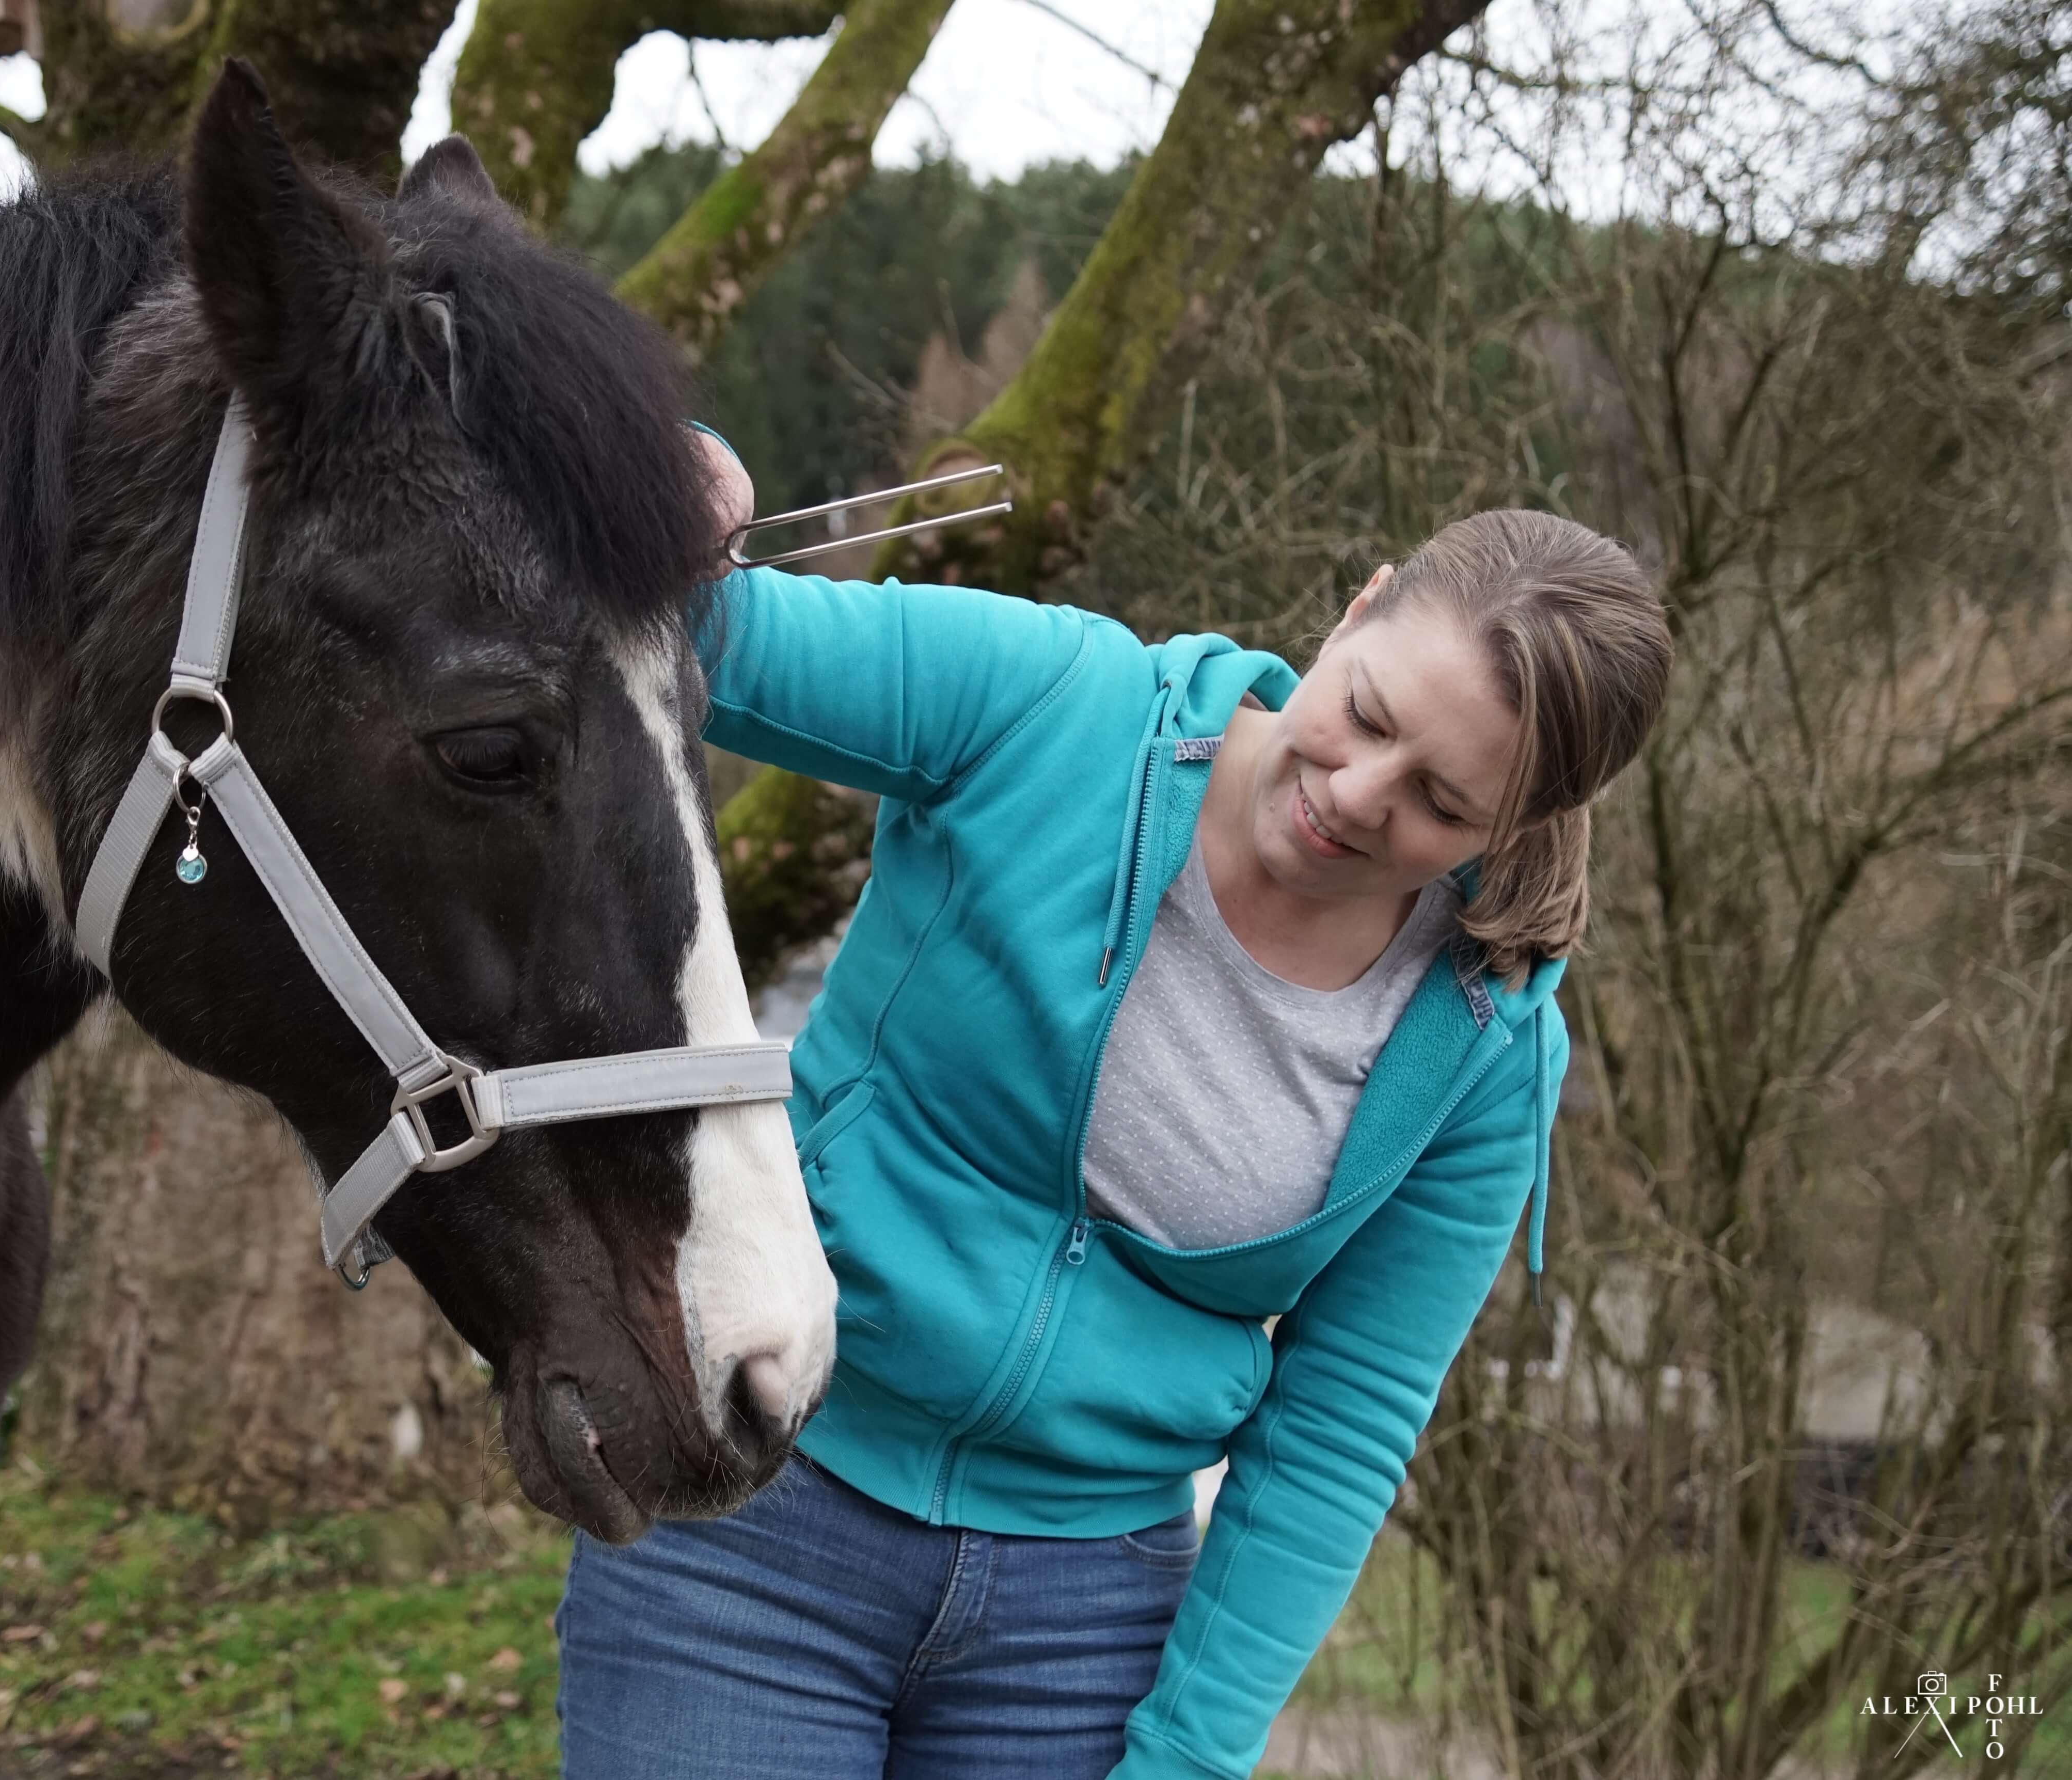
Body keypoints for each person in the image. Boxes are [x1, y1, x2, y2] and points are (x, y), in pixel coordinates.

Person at [552, 433, 1674, 1780]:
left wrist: (1187, 1758)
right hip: (756, 1509)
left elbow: (1342, 1426)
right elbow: (671, 622)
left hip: (1084, 1631)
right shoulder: (1063, 708)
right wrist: (678, 479)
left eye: (1441, 802)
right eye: (1368, 716)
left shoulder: (1484, 1054)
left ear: (1523, 818)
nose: (1355, 798)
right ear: (1360, 606)